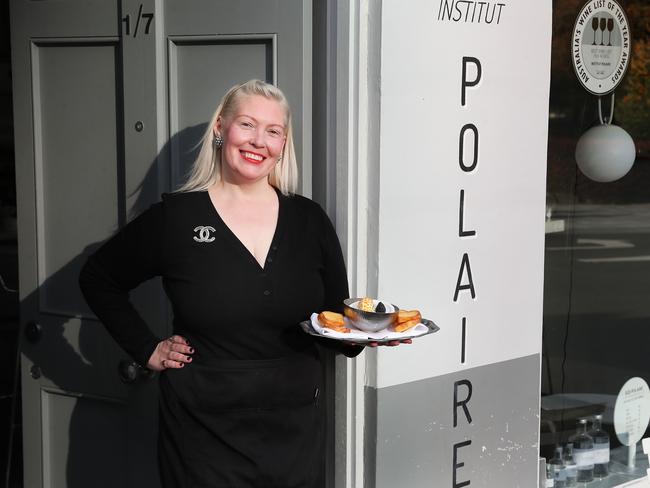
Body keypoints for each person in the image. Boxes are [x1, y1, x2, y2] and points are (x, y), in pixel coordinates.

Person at [79, 79, 368, 488]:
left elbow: (335, 320)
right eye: (247, 125)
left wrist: (364, 335)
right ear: (220, 128)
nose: (258, 141)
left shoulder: (309, 221)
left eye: (273, 131)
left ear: (284, 144)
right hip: (202, 437)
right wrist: (148, 349)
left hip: (294, 433)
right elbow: (99, 278)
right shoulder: (176, 219)